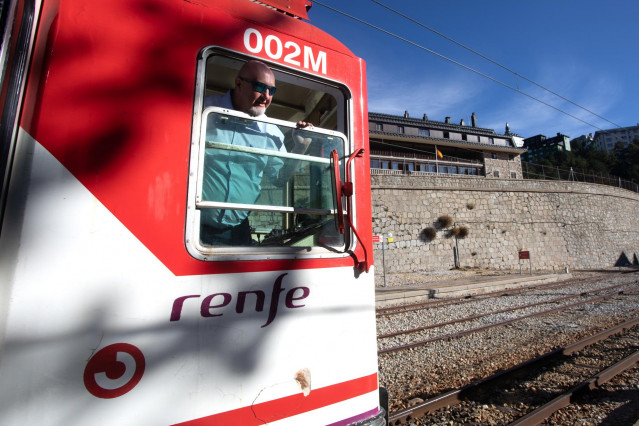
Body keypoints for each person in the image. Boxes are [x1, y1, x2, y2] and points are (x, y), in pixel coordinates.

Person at [200, 60, 313, 246]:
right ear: (239, 83)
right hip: (195, 225)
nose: (266, 97)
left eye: (272, 91)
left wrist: (300, 148)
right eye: (260, 87)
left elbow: (279, 179)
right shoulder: (204, 111)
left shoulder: (271, 131)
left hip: (239, 229)